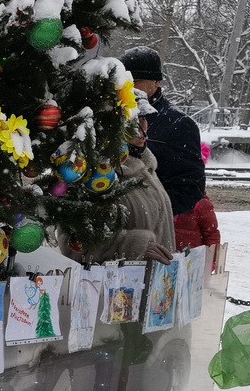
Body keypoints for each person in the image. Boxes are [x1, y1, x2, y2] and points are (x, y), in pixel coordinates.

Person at [60, 90, 173, 264]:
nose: (141, 128)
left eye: (143, 118)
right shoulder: (93, 176)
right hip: (119, 281)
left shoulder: (145, 167)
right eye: (132, 121)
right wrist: (134, 247)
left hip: (155, 279)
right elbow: (74, 245)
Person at [118, 46, 208, 239]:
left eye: (136, 81)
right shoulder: (112, 114)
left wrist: (151, 210)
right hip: (110, 225)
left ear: (156, 82)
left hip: (151, 231)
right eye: (125, 81)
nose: (129, 87)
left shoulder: (178, 124)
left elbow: (190, 187)